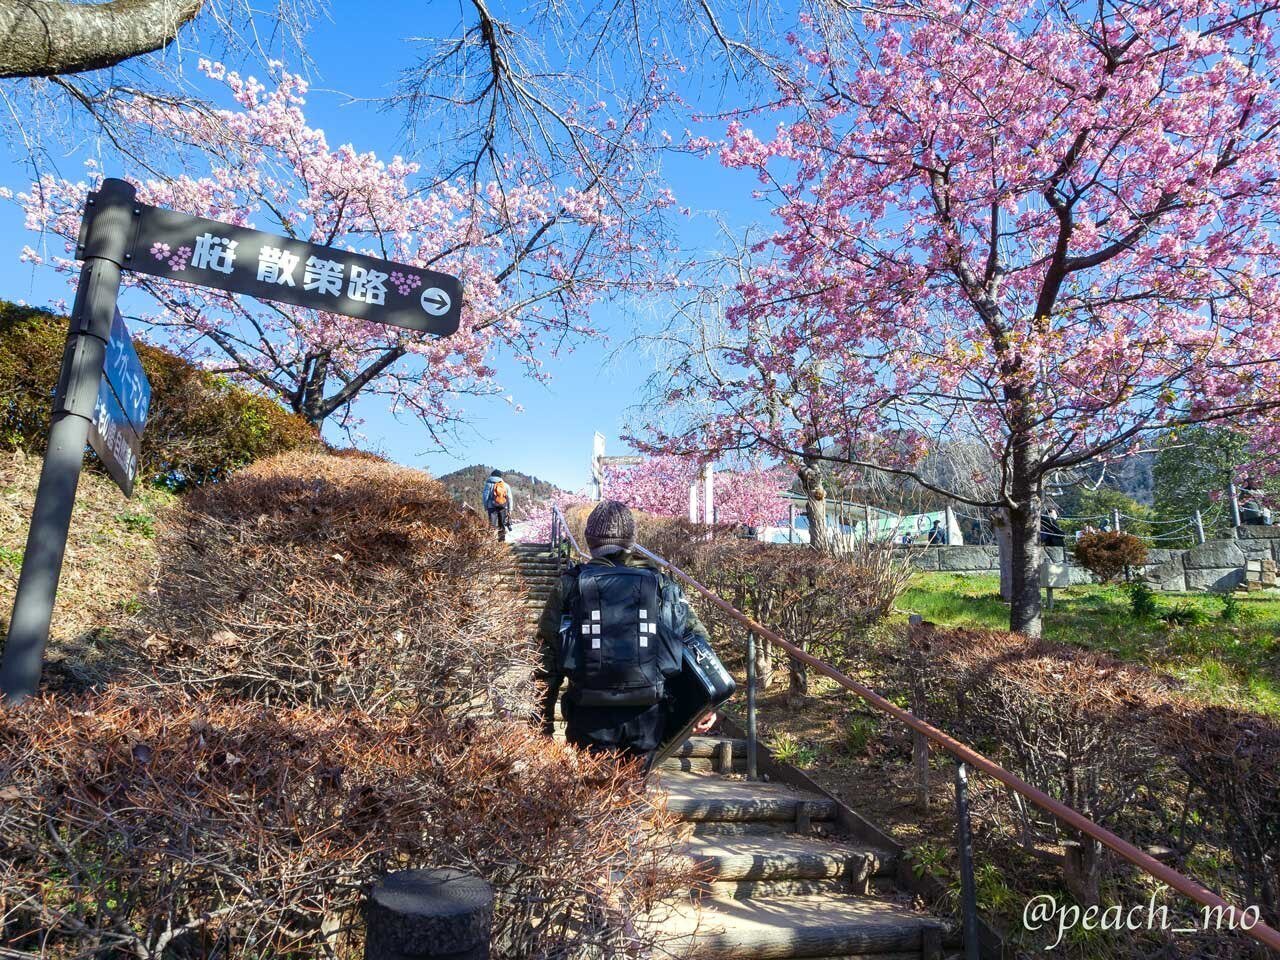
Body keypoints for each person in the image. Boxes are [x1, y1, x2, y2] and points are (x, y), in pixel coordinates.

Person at [537, 500, 718, 768]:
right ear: (632, 540)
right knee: (633, 799)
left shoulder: (571, 583)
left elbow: (547, 657)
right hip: (648, 716)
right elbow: (696, 642)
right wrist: (705, 705)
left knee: (593, 801)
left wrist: (542, 725)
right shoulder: (661, 584)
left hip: (589, 714)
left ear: (589, 541)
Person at [481, 469, 513, 542]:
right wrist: (510, 509)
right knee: (502, 524)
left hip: (491, 507)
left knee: (492, 525)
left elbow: (485, 496)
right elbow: (510, 498)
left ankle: (492, 542)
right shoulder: (505, 485)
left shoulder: (488, 484)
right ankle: (501, 542)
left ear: (492, 475)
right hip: (503, 507)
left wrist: (486, 506)